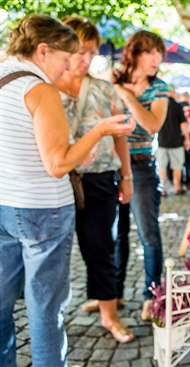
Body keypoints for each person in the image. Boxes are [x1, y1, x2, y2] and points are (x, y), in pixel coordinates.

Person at [0, 14, 133, 367]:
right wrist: (100, 130)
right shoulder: (40, 88)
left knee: (0, 300)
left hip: (5, 204)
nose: (67, 68)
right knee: (46, 306)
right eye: (65, 58)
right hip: (43, 208)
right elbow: (58, 164)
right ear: (43, 51)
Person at [54, 16, 134, 343]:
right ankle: (51, 319)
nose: (86, 59)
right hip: (56, 180)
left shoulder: (103, 89)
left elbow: (119, 138)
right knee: (53, 253)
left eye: (92, 52)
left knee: (101, 248)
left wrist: (126, 177)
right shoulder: (43, 88)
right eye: (80, 51)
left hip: (100, 178)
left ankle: (109, 315)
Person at [112, 30, 169, 321]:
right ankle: (114, 295)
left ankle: (151, 296)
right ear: (134, 53)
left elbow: (151, 125)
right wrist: (119, 90)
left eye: (160, 53)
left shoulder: (159, 88)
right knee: (116, 235)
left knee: (148, 235)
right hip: (112, 166)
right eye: (151, 52)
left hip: (143, 168)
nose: (157, 59)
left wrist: (126, 97)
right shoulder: (112, 80)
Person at [156, 93, 188, 196]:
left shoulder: (158, 105)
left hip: (162, 141)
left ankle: (163, 189)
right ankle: (176, 188)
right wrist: (187, 139)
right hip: (176, 142)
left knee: (162, 166)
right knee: (177, 166)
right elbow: (183, 124)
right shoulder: (177, 106)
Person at [178, 91, 190, 190]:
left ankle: (179, 182)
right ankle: (189, 181)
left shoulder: (177, 107)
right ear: (188, 97)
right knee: (189, 160)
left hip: (178, 137)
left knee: (179, 161)